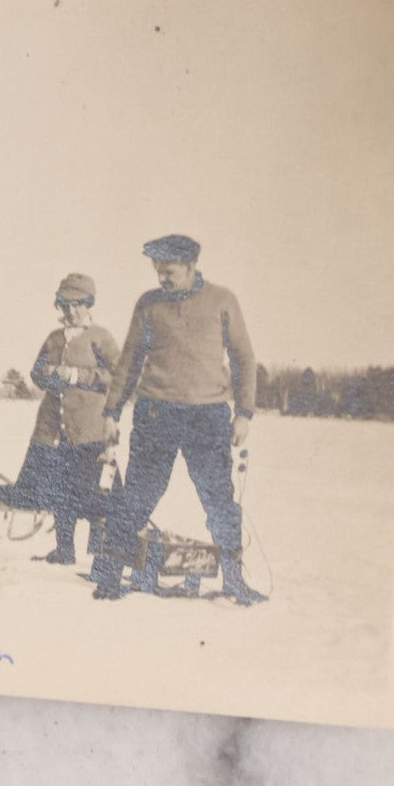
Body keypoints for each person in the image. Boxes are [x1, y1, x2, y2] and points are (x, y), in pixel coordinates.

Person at [90, 234, 266, 604]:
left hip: (209, 416)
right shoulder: (149, 305)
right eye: (158, 271)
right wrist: (111, 412)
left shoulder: (223, 301)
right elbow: (128, 362)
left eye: (168, 271)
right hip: (157, 412)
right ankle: (109, 574)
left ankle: (234, 580)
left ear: (190, 267)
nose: (162, 278)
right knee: (138, 495)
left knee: (219, 498)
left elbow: (244, 360)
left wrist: (244, 413)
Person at [0, 273, 121, 568]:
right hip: (54, 428)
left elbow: (119, 377)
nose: (71, 312)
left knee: (90, 492)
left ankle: (101, 557)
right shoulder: (54, 338)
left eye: (77, 305)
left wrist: (78, 376)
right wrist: (48, 374)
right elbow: (36, 372)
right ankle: (64, 550)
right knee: (60, 492)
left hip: (89, 430)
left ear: (89, 305)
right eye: (65, 305)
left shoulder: (100, 337)